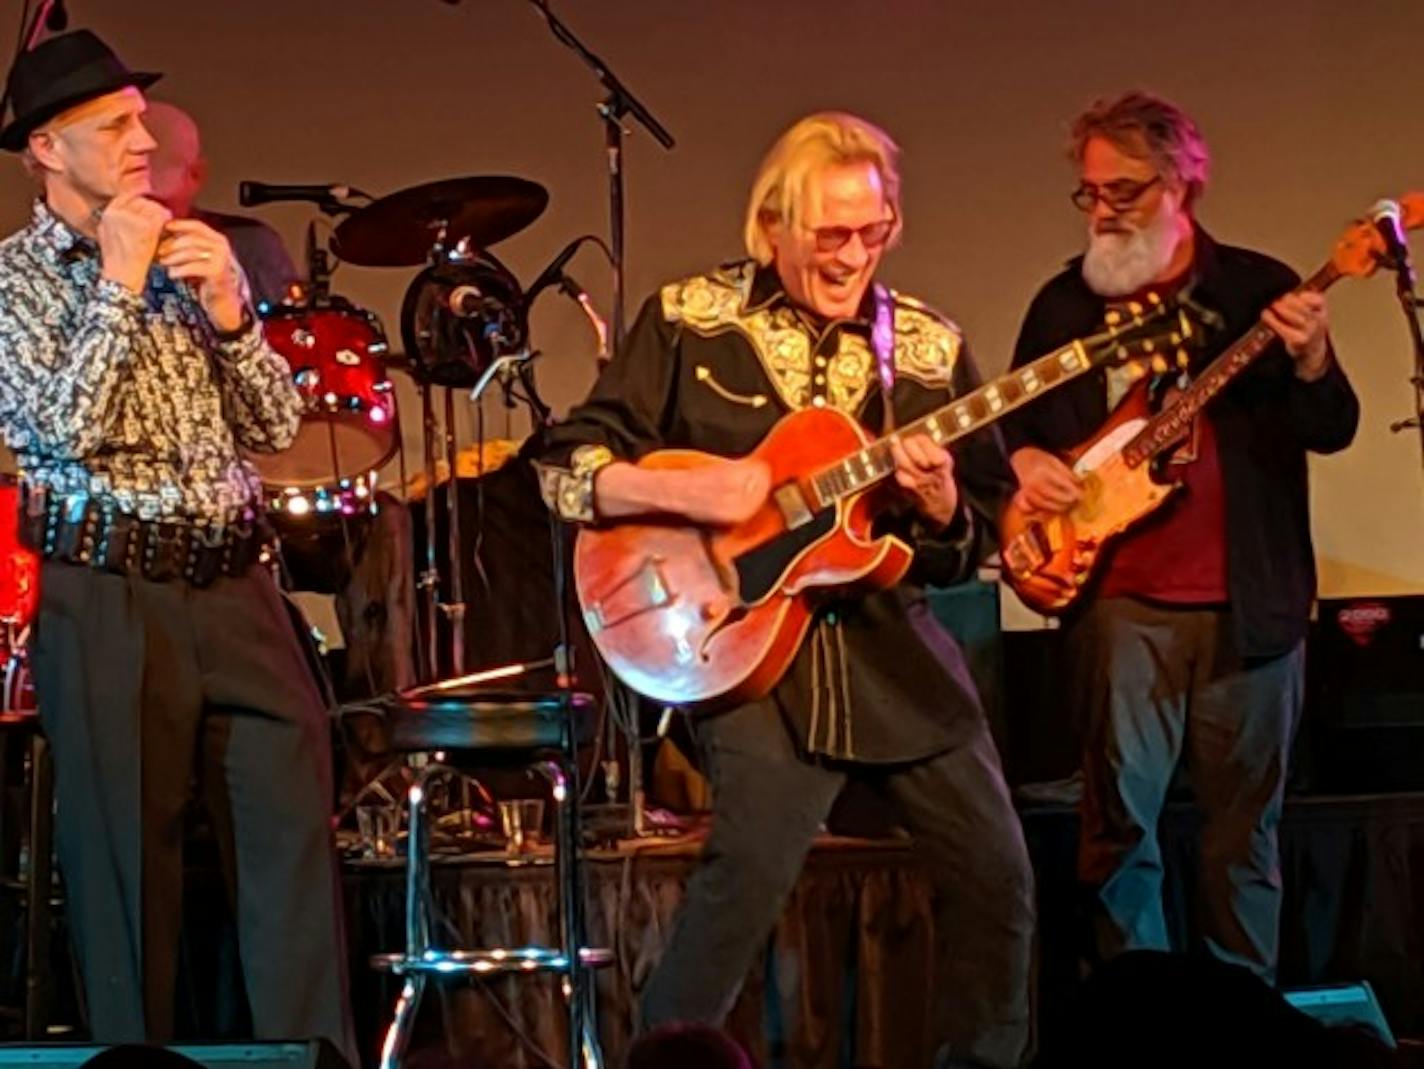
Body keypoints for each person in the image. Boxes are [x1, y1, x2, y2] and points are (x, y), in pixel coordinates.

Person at [537, 112, 1034, 1068]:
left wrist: (938, 510)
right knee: (748, 875)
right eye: (830, 234)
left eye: (873, 231)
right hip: (743, 641)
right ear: (771, 225)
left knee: (999, 874)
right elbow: (566, 465)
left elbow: (969, 536)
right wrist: (692, 487)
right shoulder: (689, 319)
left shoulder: (927, 346)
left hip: (885, 643)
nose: (854, 255)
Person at [0, 30, 354, 1060]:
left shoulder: (196, 256)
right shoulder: (16, 283)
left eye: (140, 117)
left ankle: (312, 1055)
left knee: (292, 842)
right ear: (46, 153)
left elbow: (277, 428)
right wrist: (115, 285)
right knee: (126, 875)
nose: (141, 139)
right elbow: (59, 429)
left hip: (233, 585)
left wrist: (233, 317)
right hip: (109, 593)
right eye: (113, 126)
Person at [1001, 92, 1359, 980]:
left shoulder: (1257, 290)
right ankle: (1141, 1027)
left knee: (1244, 843)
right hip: (1116, 607)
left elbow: (1334, 424)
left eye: (1124, 191)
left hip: (1252, 614)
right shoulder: (1062, 307)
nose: (1104, 211)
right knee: (1120, 839)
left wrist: (1312, 358)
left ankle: (1245, 1029)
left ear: (1182, 183)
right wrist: (1025, 468)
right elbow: (1006, 431)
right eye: (1089, 194)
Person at [143, 98, 299, 308]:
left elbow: (285, 333)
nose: (146, 214)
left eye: (156, 202)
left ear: (196, 175)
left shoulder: (249, 243)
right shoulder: (92, 252)